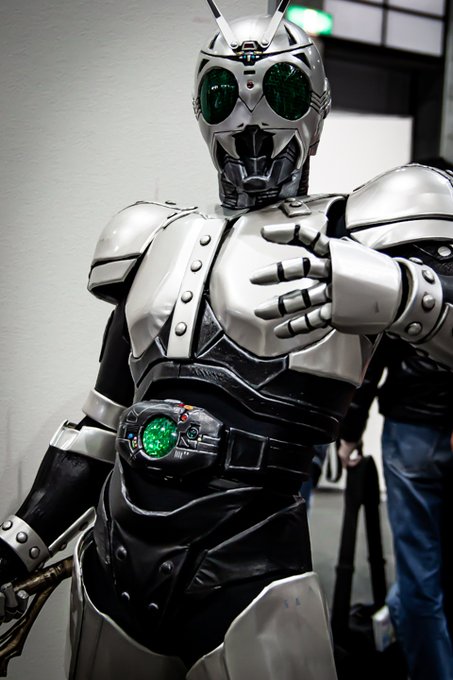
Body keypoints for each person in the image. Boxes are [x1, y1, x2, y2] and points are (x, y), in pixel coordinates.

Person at [0, 1, 452, 678]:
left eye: (279, 89)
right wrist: (17, 545)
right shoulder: (151, 238)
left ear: (316, 102)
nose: (249, 121)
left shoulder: (360, 226)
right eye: (224, 94)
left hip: (252, 585)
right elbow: (100, 428)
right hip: (113, 574)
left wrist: (401, 292)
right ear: (201, 108)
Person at [338, 335, 453, 680]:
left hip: (414, 427)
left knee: (419, 571)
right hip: (423, 427)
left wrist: (351, 431)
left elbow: (375, 356)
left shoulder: (417, 289)